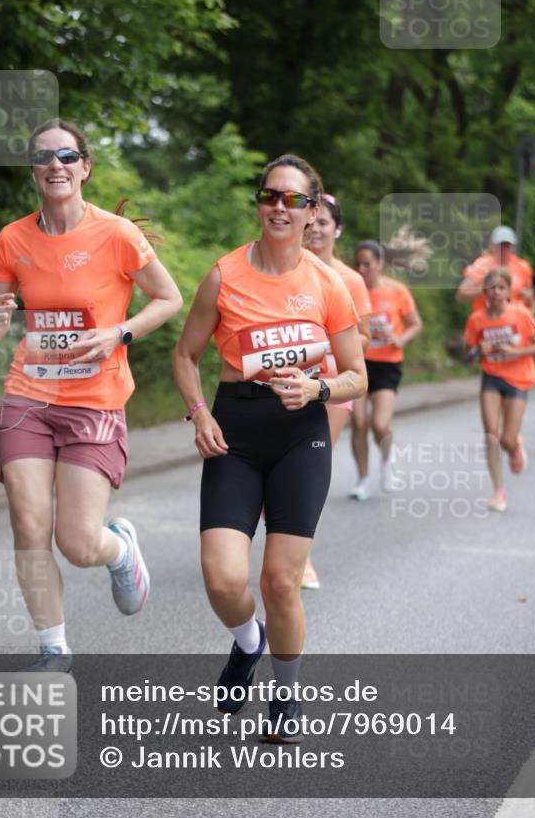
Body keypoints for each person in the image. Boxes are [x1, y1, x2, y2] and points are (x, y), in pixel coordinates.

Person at [172, 154, 367, 743]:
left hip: (300, 430)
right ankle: (248, 641)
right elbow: (185, 356)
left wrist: (319, 386)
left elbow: (358, 374)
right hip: (235, 426)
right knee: (223, 578)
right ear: (260, 204)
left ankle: (285, 694)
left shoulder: (328, 283)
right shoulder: (224, 275)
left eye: (294, 199)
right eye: (270, 196)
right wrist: (199, 412)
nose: (280, 207)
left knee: (282, 581)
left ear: (313, 212)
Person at [0, 119, 182, 669]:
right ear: (33, 172)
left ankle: (118, 549)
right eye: (44, 157)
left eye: (67, 156)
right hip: (28, 392)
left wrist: (119, 333)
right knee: (28, 521)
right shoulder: (12, 239)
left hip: (94, 399)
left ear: (85, 167)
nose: (56, 166)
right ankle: (53, 649)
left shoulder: (117, 234)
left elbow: (169, 299)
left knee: (78, 543)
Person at [300, 192, 371, 588]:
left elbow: (364, 339)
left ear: (336, 229)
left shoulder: (350, 280)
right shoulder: (285, 270)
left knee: (310, 471)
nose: (316, 229)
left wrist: (326, 345)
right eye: (312, 221)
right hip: (287, 385)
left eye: (325, 222)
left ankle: (302, 558)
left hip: (333, 387)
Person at [463, 268, 535, 511]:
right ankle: (498, 491)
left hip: (519, 378)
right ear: (484, 292)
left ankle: (515, 446)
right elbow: (467, 355)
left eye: (501, 288)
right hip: (491, 377)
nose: (496, 292)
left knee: (507, 438)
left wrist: (514, 352)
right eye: (491, 288)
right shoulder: (477, 319)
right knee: (490, 434)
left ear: (509, 291)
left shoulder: (520, 314)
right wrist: (479, 351)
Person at [349, 240, 422, 500]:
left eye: (367, 264)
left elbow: (415, 324)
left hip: (388, 365)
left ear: (380, 264)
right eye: (358, 264)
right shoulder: (351, 291)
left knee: (380, 424)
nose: (362, 269)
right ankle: (362, 479)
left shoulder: (397, 291)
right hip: (358, 362)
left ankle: (388, 462)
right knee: (358, 423)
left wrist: (400, 339)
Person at [456, 225, 535, 315]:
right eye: (501, 245)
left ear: (513, 247)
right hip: (487, 323)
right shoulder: (482, 265)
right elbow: (460, 296)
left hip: (514, 323)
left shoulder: (522, 267)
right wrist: (485, 288)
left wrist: (530, 298)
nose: (504, 249)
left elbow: (532, 302)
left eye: (507, 245)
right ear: (492, 246)